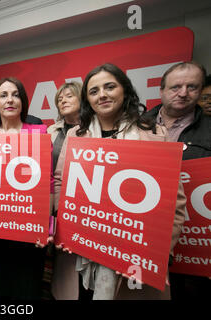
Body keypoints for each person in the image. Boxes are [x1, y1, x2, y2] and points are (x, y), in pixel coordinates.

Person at [52, 63, 186, 300]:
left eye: (110, 87)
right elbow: (61, 181)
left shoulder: (154, 134)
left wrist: (155, 250)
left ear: (125, 90)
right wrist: (66, 228)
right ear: (87, 100)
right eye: (94, 91)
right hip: (81, 251)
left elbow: (173, 203)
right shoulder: (75, 135)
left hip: (134, 257)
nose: (102, 94)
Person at [0, 77, 48, 300]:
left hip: (28, 225)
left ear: (23, 101)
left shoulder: (39, 132)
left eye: (15, 94)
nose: (10, 100)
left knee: (28, 286)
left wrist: (46, 224)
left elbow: (49, 183)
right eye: (3, 95)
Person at [146, 61, 211, 300]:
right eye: (176, 87)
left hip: (194, 242)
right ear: (161, 90)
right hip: (146, 233)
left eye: (192, 86)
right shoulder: (137, 125)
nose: (183, 93)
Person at [47, 81, 89, 300]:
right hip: (54, 199)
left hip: (82, 202)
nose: (63, 100)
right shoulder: (51, 131)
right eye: (60, 99)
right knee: (61, 252)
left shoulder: (94, 129)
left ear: (82, 99)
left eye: (69, 96)